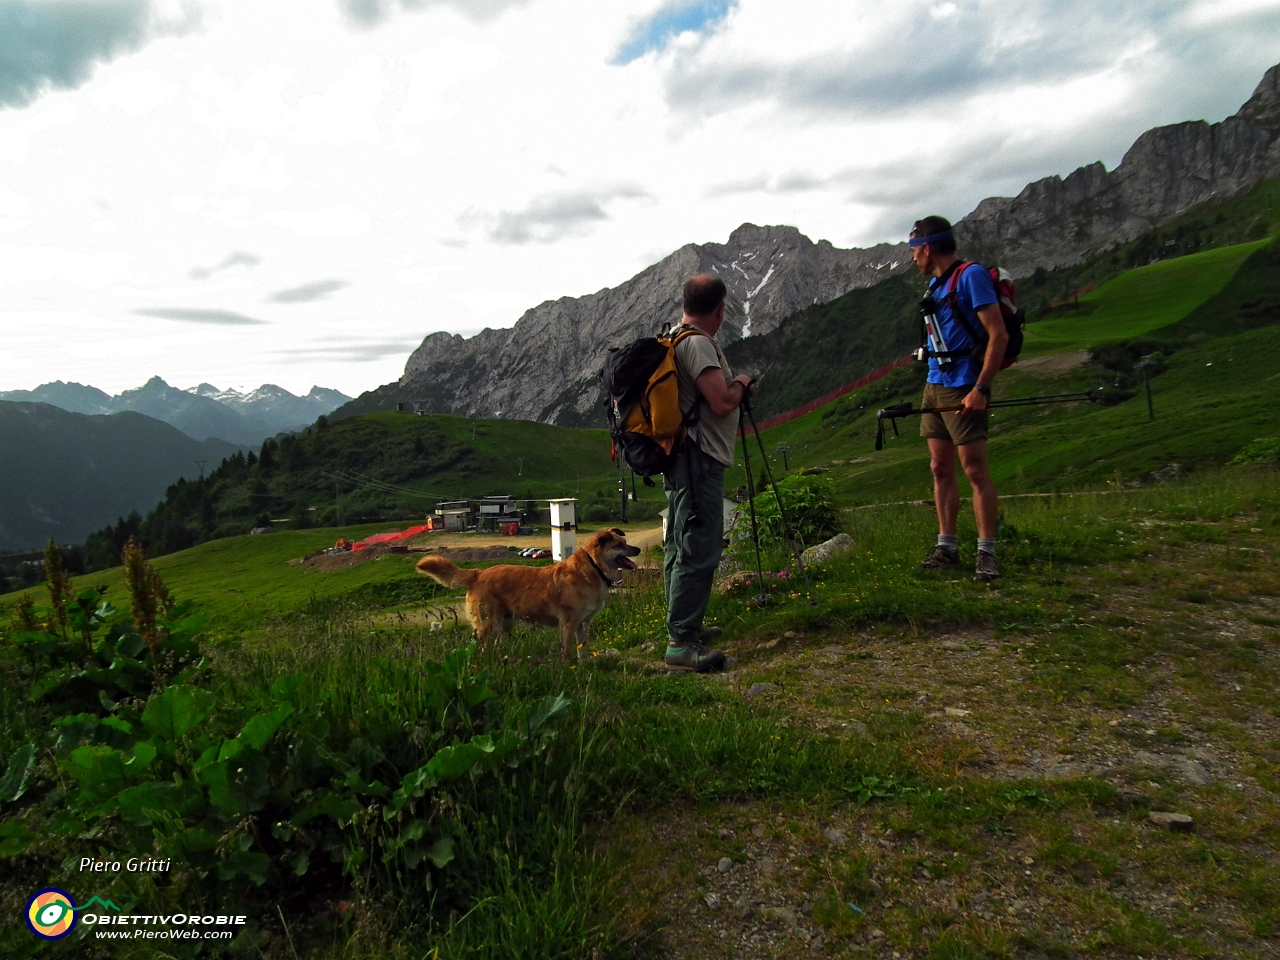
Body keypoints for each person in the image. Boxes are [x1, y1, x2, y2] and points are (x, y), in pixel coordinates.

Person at [662, 274, 756, 671]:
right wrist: (742, 382)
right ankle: (681, 644)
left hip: (682, 457)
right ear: (720, 310)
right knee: (699, 547)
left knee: (678, 545)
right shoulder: (698, 343)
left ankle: (684, 626)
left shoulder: (675, 336)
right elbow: (721, 403)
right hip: (698, 458)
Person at [909, 216, 1009, 582]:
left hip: (965, 384)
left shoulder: (971, 276)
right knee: (940, 468)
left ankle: (987, 553)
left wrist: (981, 388)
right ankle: (947, 546)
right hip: (935, 384)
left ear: (928, 247)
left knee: (974, 470)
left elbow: (997, 334)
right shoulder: (936, 286)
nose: (912, 258)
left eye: (913, 250)